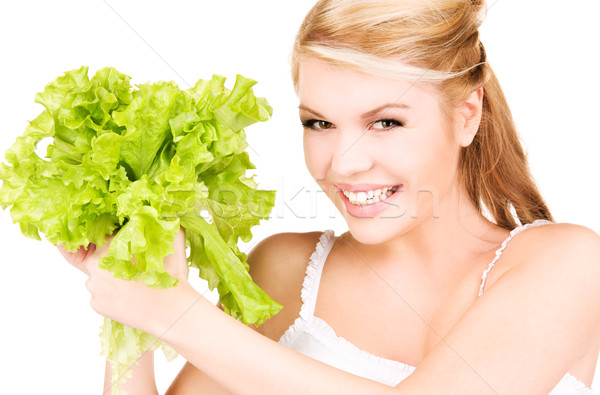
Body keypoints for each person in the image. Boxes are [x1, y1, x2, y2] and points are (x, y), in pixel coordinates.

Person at [59, 0, 600, 393]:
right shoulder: (284, 270)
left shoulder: (567, 264)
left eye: (386, 121)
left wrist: (179, 315)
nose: (342, 163)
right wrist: (131, 300)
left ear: (467, 115)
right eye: (319, 123)